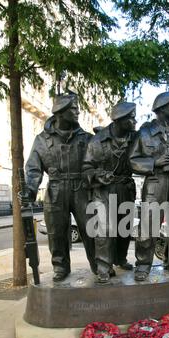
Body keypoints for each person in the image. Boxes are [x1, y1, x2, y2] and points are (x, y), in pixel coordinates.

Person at [22, 92, 95, 281]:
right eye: (73, 109)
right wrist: (30, 189)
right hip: (55, 190)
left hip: (81, 190)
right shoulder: (41, 140)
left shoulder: (86, 138)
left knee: (90, 229)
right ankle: (60, 266)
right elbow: (33, 169)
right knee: (56, 232)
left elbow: (96, 162)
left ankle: (98, 264)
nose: (78, 112)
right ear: (60, 113)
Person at [129, 91, 169, 281]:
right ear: (162, 109)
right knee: (149, 223)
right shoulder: (145, 133)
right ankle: (143, 264)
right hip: (156, 182)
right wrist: (155, 162)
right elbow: (132, 161)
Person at [82, 102, 137, 283]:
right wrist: (98, 175)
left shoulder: (135, 138)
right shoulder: (97, 141)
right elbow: (86, 168)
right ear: (120, 120)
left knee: (125, 227)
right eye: (131, 118)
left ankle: (120, 259)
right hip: (104, 189)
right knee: (104, 229)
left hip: (126, 187)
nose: (134, 121)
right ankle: (104, 267)